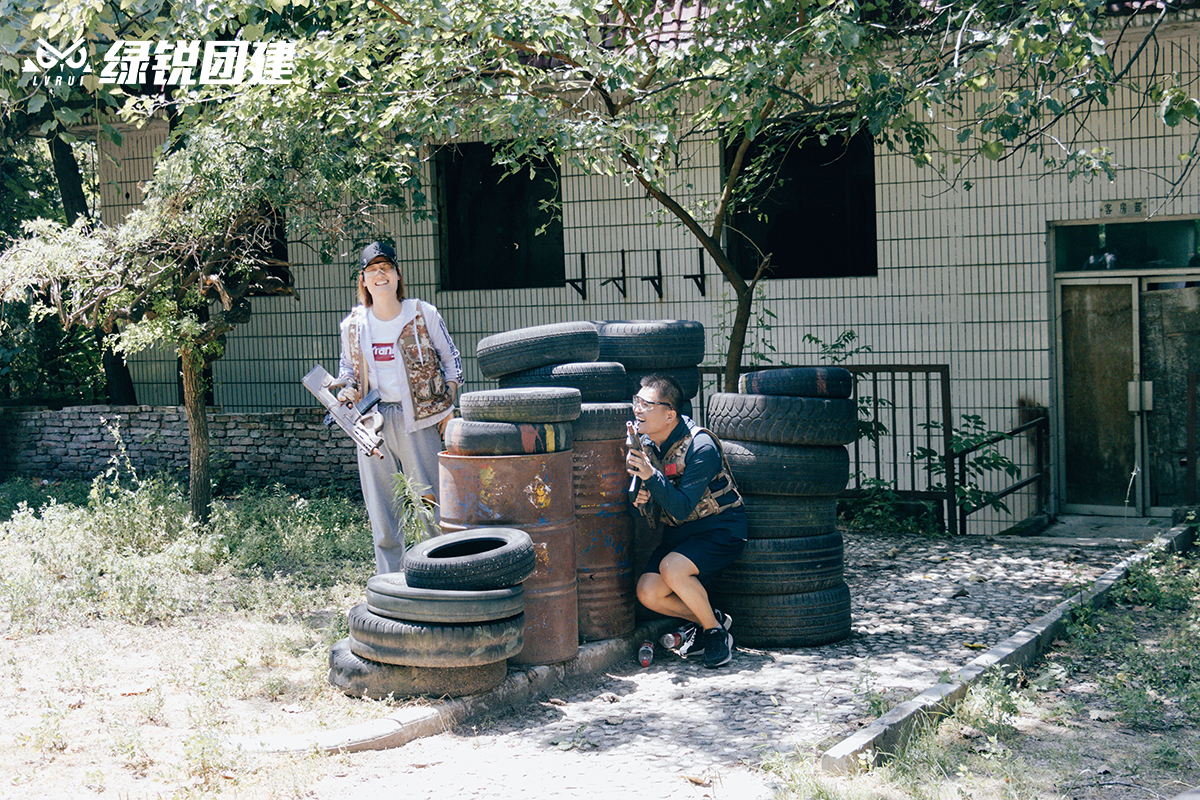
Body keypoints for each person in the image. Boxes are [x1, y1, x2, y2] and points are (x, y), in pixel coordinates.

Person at [335, 241, 463, 574]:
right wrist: (346, 391)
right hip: (372, 424)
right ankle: (390, 583)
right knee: (383, 512)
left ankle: (441, 573)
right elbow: (347, 371)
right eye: (373, 270)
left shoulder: (422, 313)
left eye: (387, 268)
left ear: (397, 275)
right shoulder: (352, 325)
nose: (381, 275)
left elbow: (452, 361)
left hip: (422, 420)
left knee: (432, 505)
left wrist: (448, 404)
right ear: (363, 280)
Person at [626, 374, 748, 668]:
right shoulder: (644, 444)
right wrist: (637, 498)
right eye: (636, 402)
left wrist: (650, 476)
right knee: (647, 592)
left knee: (672, 568)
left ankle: (715, 634)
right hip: (680, 535)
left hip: (720, 529)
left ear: (670, 414)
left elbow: (681, 507)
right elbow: (639, 502)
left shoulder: (701, 446)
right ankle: (711, 618)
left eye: (646, 404)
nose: (637, 410)